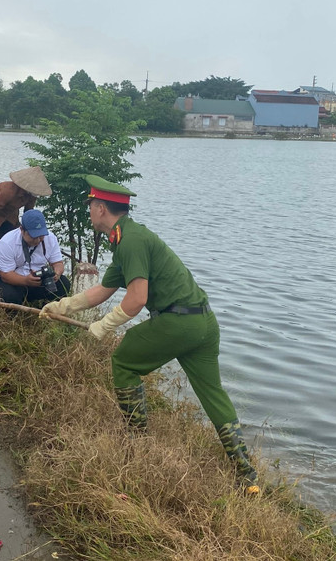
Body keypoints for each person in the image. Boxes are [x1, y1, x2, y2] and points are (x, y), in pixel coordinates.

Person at [40, 175, 260, 493]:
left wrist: (105, 325)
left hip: (178, 322)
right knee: (213, 394)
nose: (89, 212)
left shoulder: (130, 241)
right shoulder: (128, 239)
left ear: (101, 208)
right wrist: (65, 306)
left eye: (90, 206)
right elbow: (104, 288)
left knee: (124, 360)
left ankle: (137, 443)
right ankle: (247, 474)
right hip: (204, 324)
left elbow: (137, 299)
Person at [0, 209, 70, 305]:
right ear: (22, 230)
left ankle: (48, 311)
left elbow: (58, 263)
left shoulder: (50, 238)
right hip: (16, 282)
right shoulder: (7, 243)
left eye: (41, 236)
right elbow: (5, 275)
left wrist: (56, 274)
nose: (38, 240)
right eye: (33, 236)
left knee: (63, 283)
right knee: (5, 294)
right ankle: (15, 314)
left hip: (40, 282)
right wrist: (26, 280)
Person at [0, 167, 52, 243]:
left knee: (13, 235)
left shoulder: (32, 195)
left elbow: (28, 212)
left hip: (10, 212)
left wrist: (29, 229)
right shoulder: (8, 191)